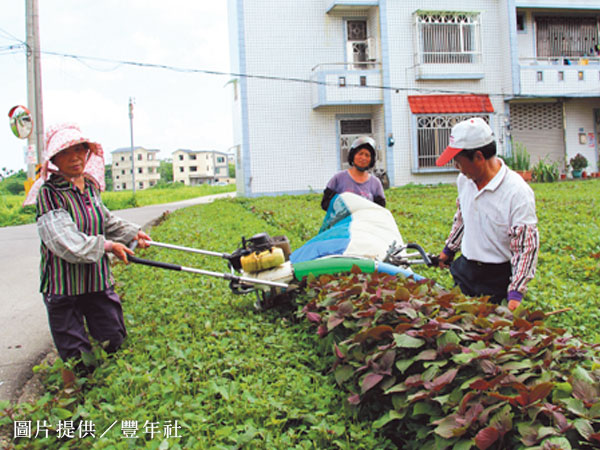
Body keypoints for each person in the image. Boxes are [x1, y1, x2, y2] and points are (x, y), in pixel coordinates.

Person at [23, 123, 151, 375]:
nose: (75, 157)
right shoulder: (49, 194)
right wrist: (109, 246)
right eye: (66, 152)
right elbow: (64, 241)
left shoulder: (90, 187)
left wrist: (131, 233)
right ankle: (79, 398)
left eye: (80, 150)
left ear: (87, 152)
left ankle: (109, 391)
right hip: (64, 287)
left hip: (96, 281)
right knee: (76, 358)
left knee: (114, 340)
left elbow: (105, 220)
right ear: (55, 160)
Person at [435, 118, 539, 311]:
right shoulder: (464, 180)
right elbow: (463, 217)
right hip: (465, 271)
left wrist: (515, 293)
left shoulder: (517, 192)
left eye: (459, 162)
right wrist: (449, 250)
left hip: (496, 279)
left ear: (479, 157)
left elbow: (526, 247)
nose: (457, 168)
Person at [321, 136, 386, 211]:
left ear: (371, 160)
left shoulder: (375, 183)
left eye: (367, 155)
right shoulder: (338, 178)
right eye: (360, 153)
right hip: (344, 221)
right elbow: (325, 204)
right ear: (353, 156)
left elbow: (380, 209)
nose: (363, 158)